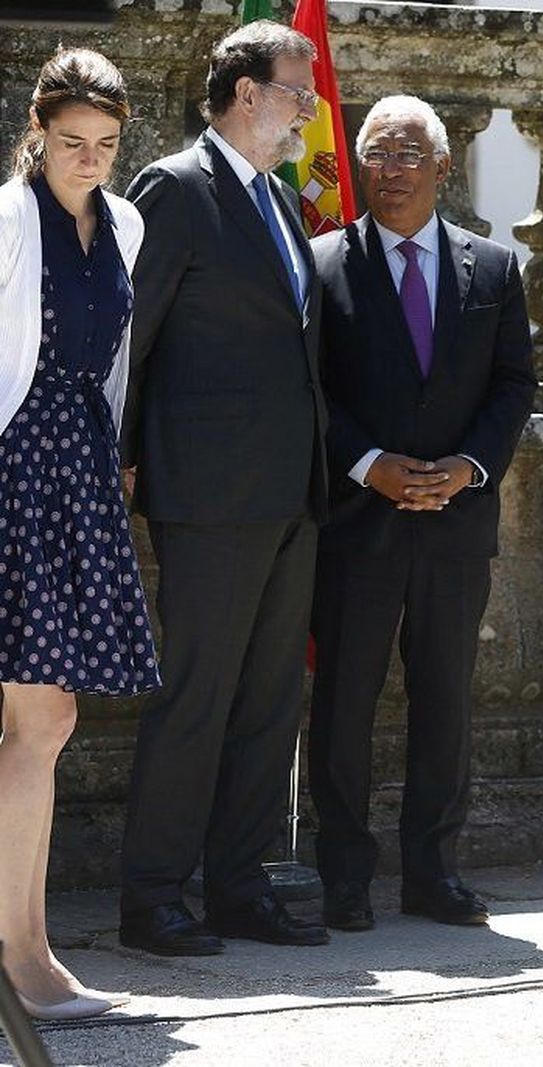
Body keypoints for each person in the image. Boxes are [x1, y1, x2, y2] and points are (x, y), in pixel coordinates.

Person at [117, 20, 330, 956]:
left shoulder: (282, 203)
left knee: (269, 700)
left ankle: (240, 884)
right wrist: (117, 460)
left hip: (290, 492)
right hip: (205, 491)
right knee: (198, 696)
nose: (307, 111)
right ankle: (154, 895)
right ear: (246, 93)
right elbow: (131, 337)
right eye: (297, 92)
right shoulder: (176, 186)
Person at [307, 95, 537, 931]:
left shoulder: (494, 267)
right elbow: (312, 391)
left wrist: (469, 468)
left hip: (454, 522)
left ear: (443, 168)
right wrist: (369, 466)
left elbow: (514, 383)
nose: (390, 169)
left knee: (447, 699)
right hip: (356, 524)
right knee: (344, 701)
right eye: (375, 154)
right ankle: (342, 874)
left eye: (408, 154)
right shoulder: (322, 262)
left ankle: (433, 872)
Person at [0, 47, 152, 1022]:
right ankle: (24, 956)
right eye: (70, 144)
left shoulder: (126, 222)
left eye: (103, 145)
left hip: (81, 468)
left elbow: (113, 362)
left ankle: (27, 950)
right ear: (38, 134)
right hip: (12, 463)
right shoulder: (7, 221)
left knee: (41, 723)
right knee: (39, 722)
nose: (87, 160)